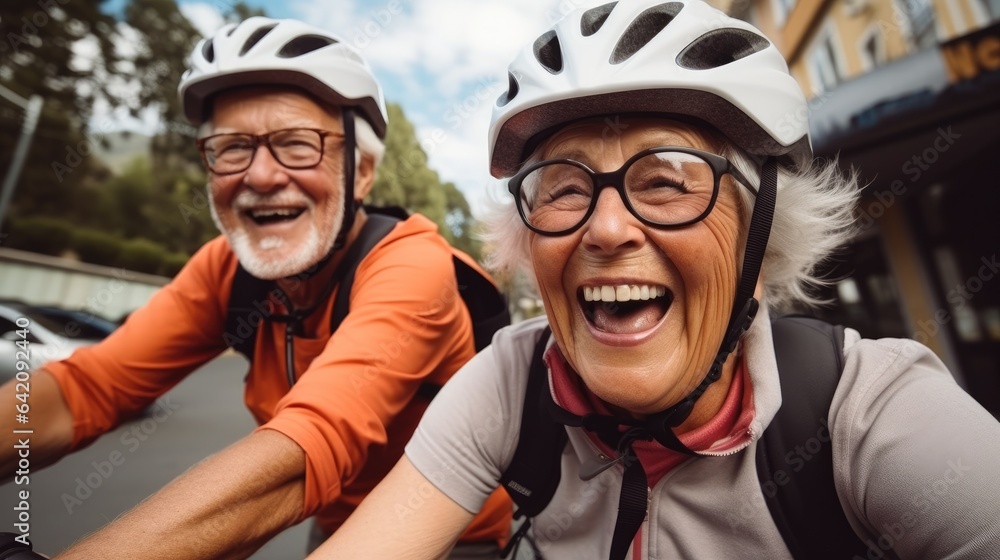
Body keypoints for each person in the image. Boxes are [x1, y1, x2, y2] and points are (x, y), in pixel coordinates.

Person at [310, 1, 1000, 558]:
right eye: (565, 188)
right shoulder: (511, 384)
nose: (607, 230)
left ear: (761, 239)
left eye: (668, 179)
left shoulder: (866, 414)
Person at [0, 17, 510, 558]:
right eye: (232, 147)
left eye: (297, 144)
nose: (260, 176)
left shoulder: (412, 265)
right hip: (336, 521)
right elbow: (85, 388)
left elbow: (310, 444)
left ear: (360, 172)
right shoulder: (225, 268)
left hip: (454, 537)